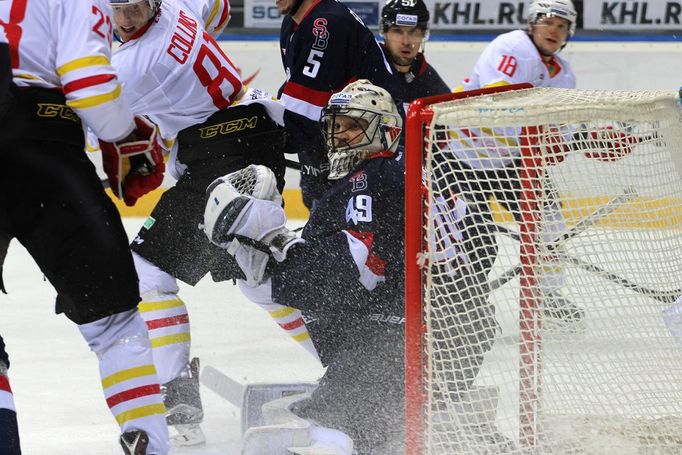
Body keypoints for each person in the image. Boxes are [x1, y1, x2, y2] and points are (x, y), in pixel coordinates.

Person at [203, 80, 502, 454]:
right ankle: (395, 412)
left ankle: (370, 417)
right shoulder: (419, 174)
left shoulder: (370, 180)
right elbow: (484, 244)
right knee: (263, 277)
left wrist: (278, 247)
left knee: (331, 424)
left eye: (353, 126)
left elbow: (349, 277)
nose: (339, 136)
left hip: (402, 348)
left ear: (387, 132)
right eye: (335, 126)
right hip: (458, 344)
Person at [107, 0, 297, 445]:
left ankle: (176, 395)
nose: (127, 17)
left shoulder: (132, 64)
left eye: (134, 7)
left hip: (219, 156)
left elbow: (96, 120)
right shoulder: (178, 6)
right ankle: (346, 363)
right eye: (119, 8)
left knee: (148, 272)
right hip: (252, 132)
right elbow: (221, 9)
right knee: (260, 280)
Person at [0, 1, 170, 454]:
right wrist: (124, 134)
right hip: (41, 150)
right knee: (113, 321)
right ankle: (147, 442)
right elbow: (91, 85)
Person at [452, 0, 584, 324]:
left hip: (509, 159)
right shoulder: (512, 46)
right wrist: (546, 138)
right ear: (532, 23)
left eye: (562, 25)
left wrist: (584, 138)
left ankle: (547, 296)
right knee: (474, 238)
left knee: (550, 219)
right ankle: (467, 306)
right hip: (464, 155)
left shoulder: (564, 74)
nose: (554, 30)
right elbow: (501, 104)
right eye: (548, 22)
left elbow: (560, 130)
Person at [276, 0, 395, 210]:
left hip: (369, 155)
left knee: (333, 231)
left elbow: (299, 121)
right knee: (319, 219)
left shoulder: (326, 24)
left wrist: (258, 136)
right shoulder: (293, 23)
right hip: (336, 143)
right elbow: (296, 91)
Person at [380, 0, 450, 116]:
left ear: (423, 35)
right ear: (385, 33)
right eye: (398, 31)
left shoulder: (429, 80)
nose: (406, 42)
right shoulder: (367, 66)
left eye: (413, 32)